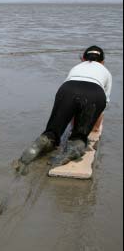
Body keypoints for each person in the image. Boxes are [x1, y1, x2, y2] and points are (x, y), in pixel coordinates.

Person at [14, 46, 112, 174]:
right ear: (103, 62)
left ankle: (43, 141)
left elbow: (72, 106)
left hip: (67, 89)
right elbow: (101, 107)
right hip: (94, 92)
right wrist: (92, 128)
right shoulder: (106, 72)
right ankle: (75, 146)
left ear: (83, 58)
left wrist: (72, 119)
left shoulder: (77, 67)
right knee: (79, 136)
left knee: (52, 133)